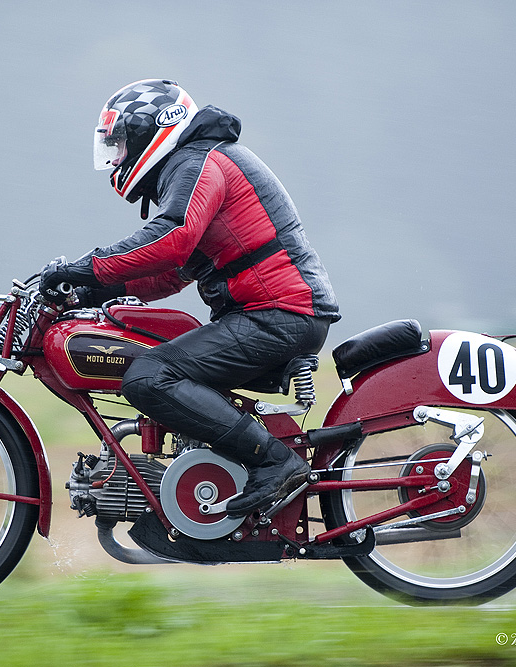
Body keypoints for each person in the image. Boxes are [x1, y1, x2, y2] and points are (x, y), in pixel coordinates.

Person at [40, 79, 340, 517]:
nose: (116, 157)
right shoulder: (197, 163)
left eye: (120, 143)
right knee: (157, 363)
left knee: (148, 376)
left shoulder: (198, 161)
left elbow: (173, 236)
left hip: (277, 315)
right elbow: (170, 274)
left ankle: (276, 462)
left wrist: (86, 265)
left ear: (153, 130)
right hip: (274, 314)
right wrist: (95, 288)